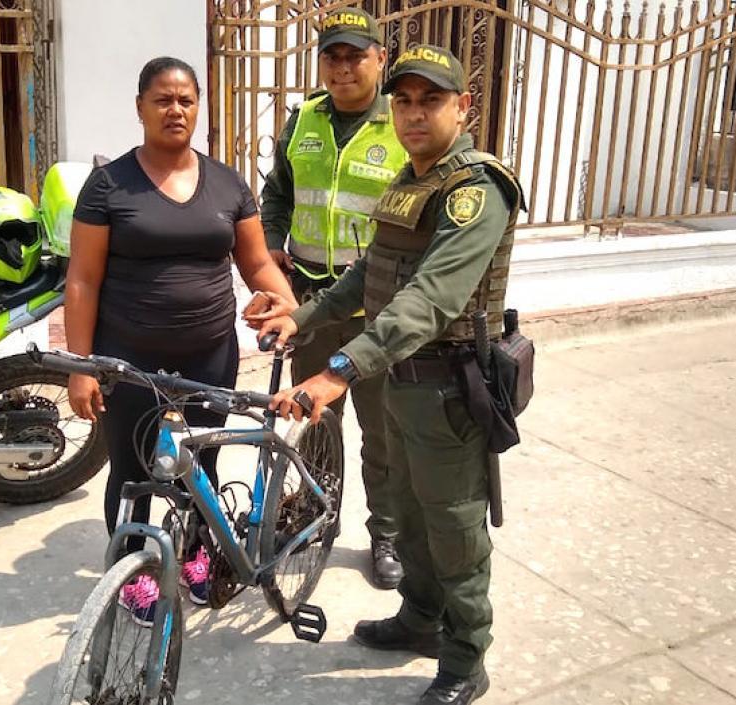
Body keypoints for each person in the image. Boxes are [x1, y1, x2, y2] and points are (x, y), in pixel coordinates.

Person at [251, 45, 523, 705]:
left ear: (464, 107)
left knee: (453, 527)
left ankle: (465, 660)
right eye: (402, 100)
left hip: (450, 386)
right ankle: (419, 618)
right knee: (406, 507)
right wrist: (305, 316)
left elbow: (429, 298)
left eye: (430, 100)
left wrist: (339, 369)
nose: (412, 113)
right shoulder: (411, 177)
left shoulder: (476, 190)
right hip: (403, 378)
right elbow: (368, 275)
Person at [65, 57, 296, 625]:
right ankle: (133, 573)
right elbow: (83, 278)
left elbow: (256, 260)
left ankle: (195, 556)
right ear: (140, 107)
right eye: (163, 100)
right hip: (130, 359)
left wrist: (287, 301)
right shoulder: (108, 185)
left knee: (203, 463)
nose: (176, 110)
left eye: (186, 100)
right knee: (133, 470)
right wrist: (81, 365)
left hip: (209, 353)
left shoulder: (227, 183)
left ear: (198, 107)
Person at [259, 7, 410, 590]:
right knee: (315, 417)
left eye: (356, 55)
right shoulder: (302, 122)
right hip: (311, 303)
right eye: (333, 56)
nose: (344, 67)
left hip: (377, 306)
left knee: (381, 429)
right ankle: (318, 513)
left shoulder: (399, 123)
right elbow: (277, 196)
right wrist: (272, 247)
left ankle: (387, 532)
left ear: (380, 59)